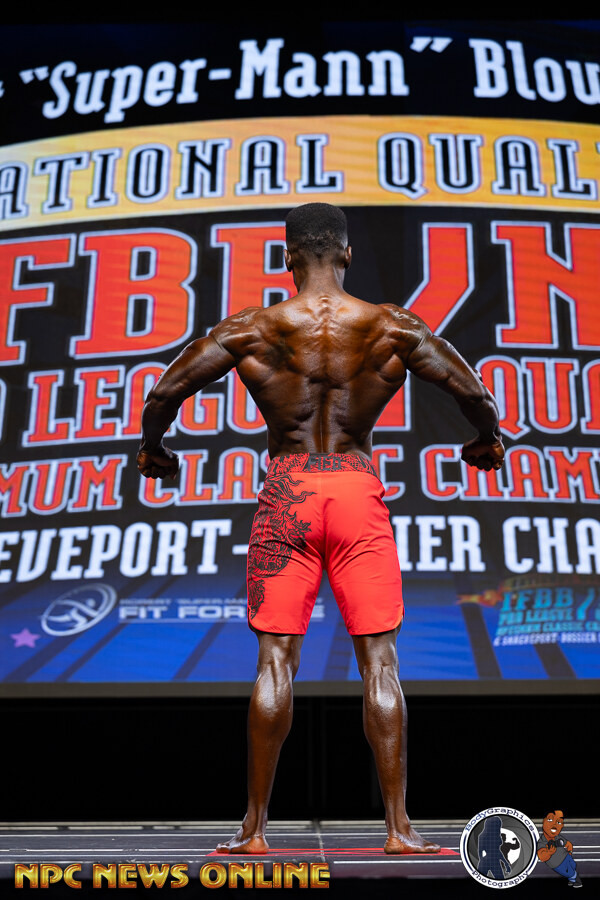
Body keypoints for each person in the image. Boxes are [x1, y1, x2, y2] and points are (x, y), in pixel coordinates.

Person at [137, 202, 505, 855]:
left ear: (287, 258)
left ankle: (254, 829)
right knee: (381, 662)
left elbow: (164, 391)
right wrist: (486, 440)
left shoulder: (253, 327)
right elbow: (474, 392)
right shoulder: (390, 326)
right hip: (356, 492)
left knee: (275, 661)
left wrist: (155, 449)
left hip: (289, 494)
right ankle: (399, 829)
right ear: (347, 254)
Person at [537, 810, 582, 887]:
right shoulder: (542, 841)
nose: (554, 824)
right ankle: (576, 878)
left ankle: (572, 880)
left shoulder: (557, 837)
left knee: (573, 865)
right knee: (569, 873)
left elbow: (567, 843)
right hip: (556, 863)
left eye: (559, 822)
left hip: (566, 856)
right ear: (544, 822)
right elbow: (542, 856)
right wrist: (549, 853)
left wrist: (569, 852)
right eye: (550, 820)